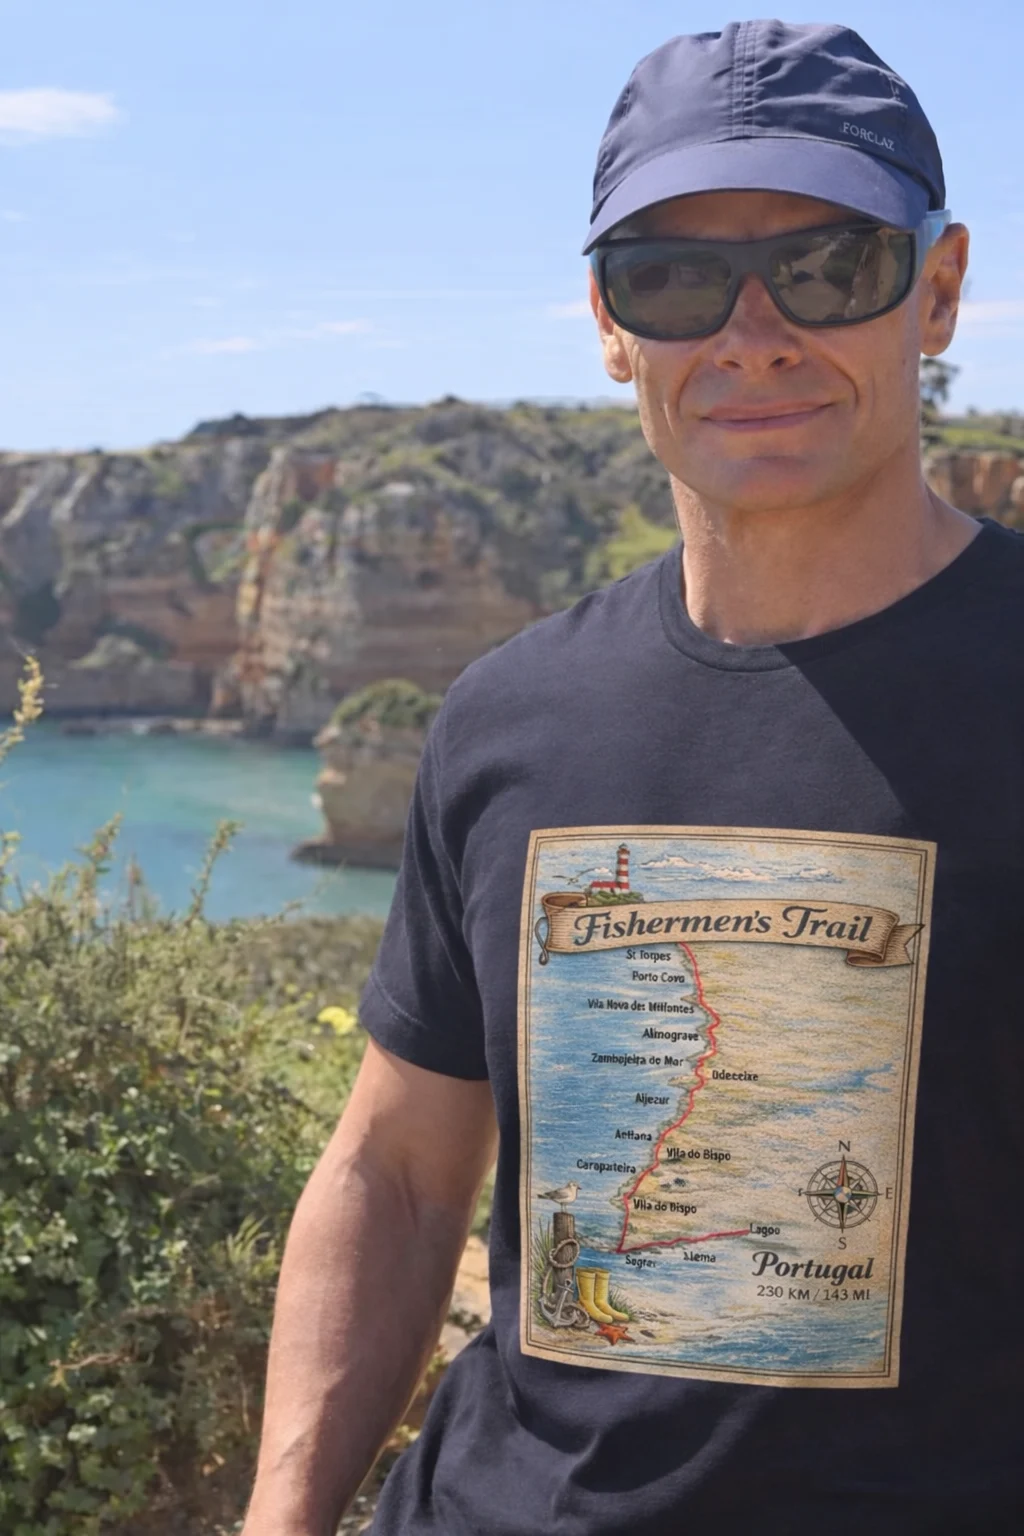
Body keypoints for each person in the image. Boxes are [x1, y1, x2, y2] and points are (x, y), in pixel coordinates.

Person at [242, 20, 1023, 1535]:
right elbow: (398, 1170)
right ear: (608, 325)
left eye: (828, 266)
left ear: (936, 292)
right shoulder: (508, 717)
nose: (752, 334)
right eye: (672, 280)